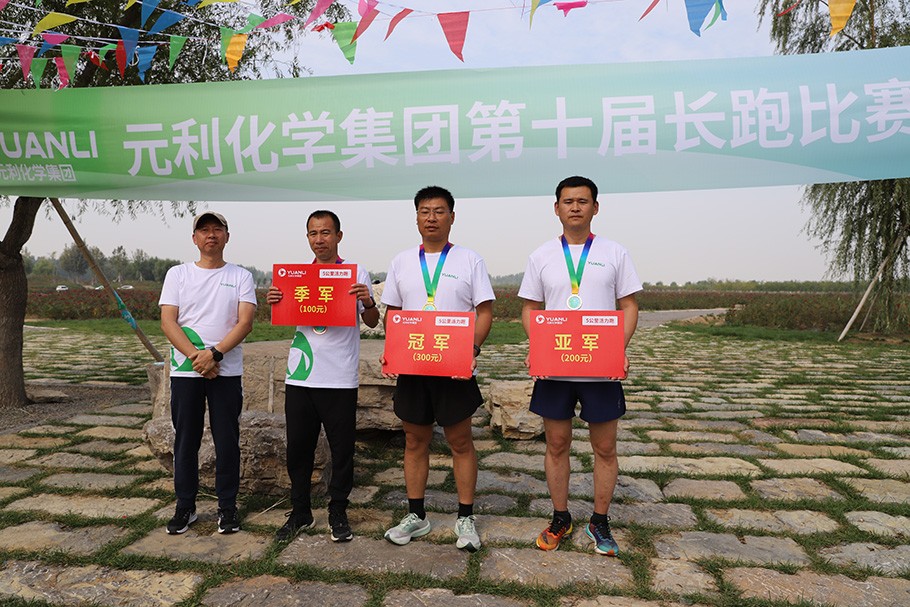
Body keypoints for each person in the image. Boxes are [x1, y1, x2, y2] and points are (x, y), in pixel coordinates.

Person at [518, 175, 641, 556]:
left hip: (600, 368)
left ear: (595, 208)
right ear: (556, 208)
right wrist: (537, 345)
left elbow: (629, 306)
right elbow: (530, 308)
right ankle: (560, 517)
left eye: (582, 201)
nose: (575, 207)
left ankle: (599, 520)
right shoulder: (541, 256)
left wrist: (618, 349)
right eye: (568, 201)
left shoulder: (615, 252)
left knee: (605, 447)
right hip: (555, 368)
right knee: (557, 444)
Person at [380, 186, 494, 553]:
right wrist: (391, 352)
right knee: (415, 441)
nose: (432, 217)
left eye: (439, 211)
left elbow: (485, 311)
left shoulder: (469, 260)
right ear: (416, 217)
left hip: (454, 367)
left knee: (460, 441)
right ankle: (416, 515)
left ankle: (465, 517)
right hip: (414, 366)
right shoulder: (402, 261)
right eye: (425, 211)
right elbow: (393, 314)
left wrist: (471, 349)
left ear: (452, 217)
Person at [266, 210, 379, 543]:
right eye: (313, 233)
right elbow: (284, 312)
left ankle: (338, 511)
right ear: (308, 238)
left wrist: (367, 300)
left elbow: (372, 321)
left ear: (339, 236)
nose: (320, 239)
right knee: (298, 449)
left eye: (326, 232)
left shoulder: (355, 273)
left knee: (342, 450)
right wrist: (276, 300)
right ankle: (300, 511)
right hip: (301, 374)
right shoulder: (296, 277)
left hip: (339, 376)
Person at [159, 211, 257, 535]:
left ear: (227, 236)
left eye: (217, 229)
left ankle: (227, 507)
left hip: (226, 372)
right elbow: (168, 321)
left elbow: (245, 322)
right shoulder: (177, 274)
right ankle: (185, 505)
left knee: (227, 441)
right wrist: (196, 359)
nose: (211, 235)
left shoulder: (241, 276)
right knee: (185, 440)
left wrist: (214, 355)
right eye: (204, 230)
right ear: (194, 238)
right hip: (186, 372)